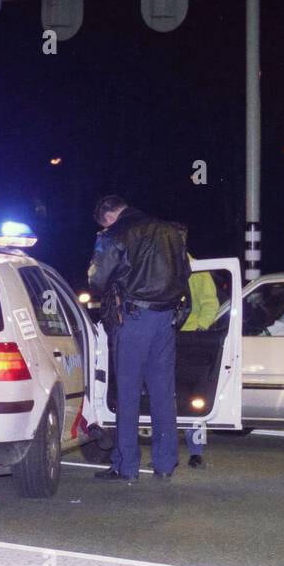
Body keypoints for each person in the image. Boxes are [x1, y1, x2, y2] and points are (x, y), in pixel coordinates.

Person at [87, 194, 190, 481]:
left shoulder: (116, 233)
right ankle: (166, 464)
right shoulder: (171, 231)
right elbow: (185, 273)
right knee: (162, 394)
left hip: (133, 319)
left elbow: (96, 278)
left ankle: (126, 466)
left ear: (108, 216)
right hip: (166, 318)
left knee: (128, 394)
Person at [175, 225, 220, 469]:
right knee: (169, 398)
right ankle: (169, 451)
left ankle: (195, 452)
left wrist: (198, 329)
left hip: (190, 340)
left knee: (195, 399)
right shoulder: (164, 267)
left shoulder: (197, 269)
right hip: (169, 339)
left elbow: (210, 303)